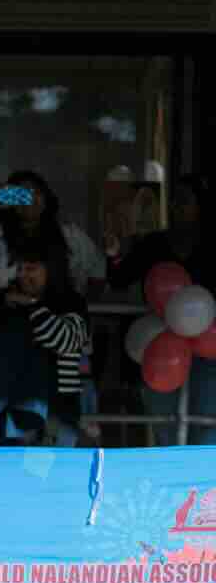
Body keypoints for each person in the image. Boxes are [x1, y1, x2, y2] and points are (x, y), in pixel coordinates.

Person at [107, 173, 216, 445]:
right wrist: (114, 253)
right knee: (164, 424)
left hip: (208, 347)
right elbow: (120, 278)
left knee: (207, 422)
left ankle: (202, 485)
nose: (177, 207)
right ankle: (175, 482)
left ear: (200, 206)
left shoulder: (211, 245)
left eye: (185, 200)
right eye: (174, 201)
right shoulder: (153, 244)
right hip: (160, 344)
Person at [0, 251, 91, 446]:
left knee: (50, 476)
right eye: (19, 268)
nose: (23, 275)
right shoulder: (2, 300)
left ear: (51, 269)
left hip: (56, 418)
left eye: (31, 269)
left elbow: (64, 340)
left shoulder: (70, 301)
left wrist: (31, 306)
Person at [0, 169, 106, 296]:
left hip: (59, 327)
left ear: (46, 198)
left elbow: (98, 271)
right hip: (12, 325)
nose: (30, 199)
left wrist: (82, 311)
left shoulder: (71, 235)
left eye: (36, 192)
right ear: (10, 202)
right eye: (22, 194)